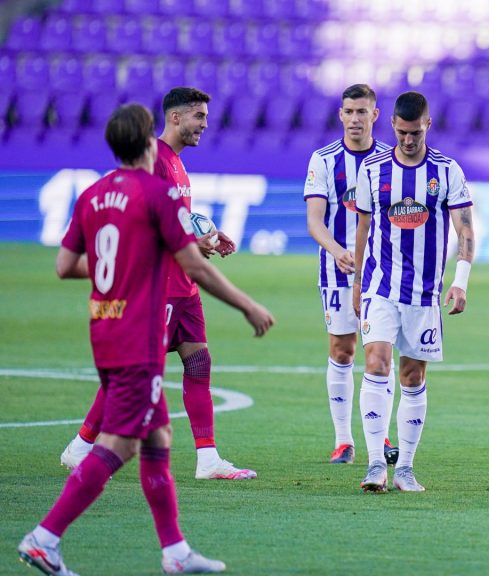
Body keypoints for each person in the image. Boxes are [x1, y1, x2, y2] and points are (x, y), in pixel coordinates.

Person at [18, 103, 274, 576]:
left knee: (157, 437)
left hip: (105, 325)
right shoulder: (154, 192)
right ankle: (44, 538)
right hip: (139, 329)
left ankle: (175, 552)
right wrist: (248, 306)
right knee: (120, 446)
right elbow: (195, 266)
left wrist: (126, 265)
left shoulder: (93, 194)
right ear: (145, 141)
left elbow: (64, 266)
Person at [61, 87, 258, 480]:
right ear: (176, 118)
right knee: (134, 373)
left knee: (198, 362)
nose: (205, 123)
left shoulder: (176, 163)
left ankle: (208, 459)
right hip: (159, 287)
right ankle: (82, 446)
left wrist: (203, 238)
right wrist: (188, 246)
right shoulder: (155, 162)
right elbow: (145, 223)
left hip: (182, 285)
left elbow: (172, 217)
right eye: (199, 116)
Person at [352, 91, 475, 492]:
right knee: (376, 363)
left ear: (428, 125)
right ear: (392, 126)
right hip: (379, 285)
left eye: (416, 132)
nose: (408, 140)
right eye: (402, 132)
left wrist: (461, 281)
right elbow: (364, 227)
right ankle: (374, 464)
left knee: (411, 375)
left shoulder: (446, 170)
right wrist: (356, 281)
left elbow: (465, 229)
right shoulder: (371, 169)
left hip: (424, 294)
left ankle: (404, 467)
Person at [304, 83, 399, 465]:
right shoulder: (323, 160)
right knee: (342, 350)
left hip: (383, 273)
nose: (355, 118)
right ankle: (344, 440)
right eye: (349, 111)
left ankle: (384, 434)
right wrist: (338, 250)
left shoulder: (391, 160)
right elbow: (314, 221)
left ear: (375, 115)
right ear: (340, 115)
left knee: (381, 353)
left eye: (362, 112)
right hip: (337, 267)